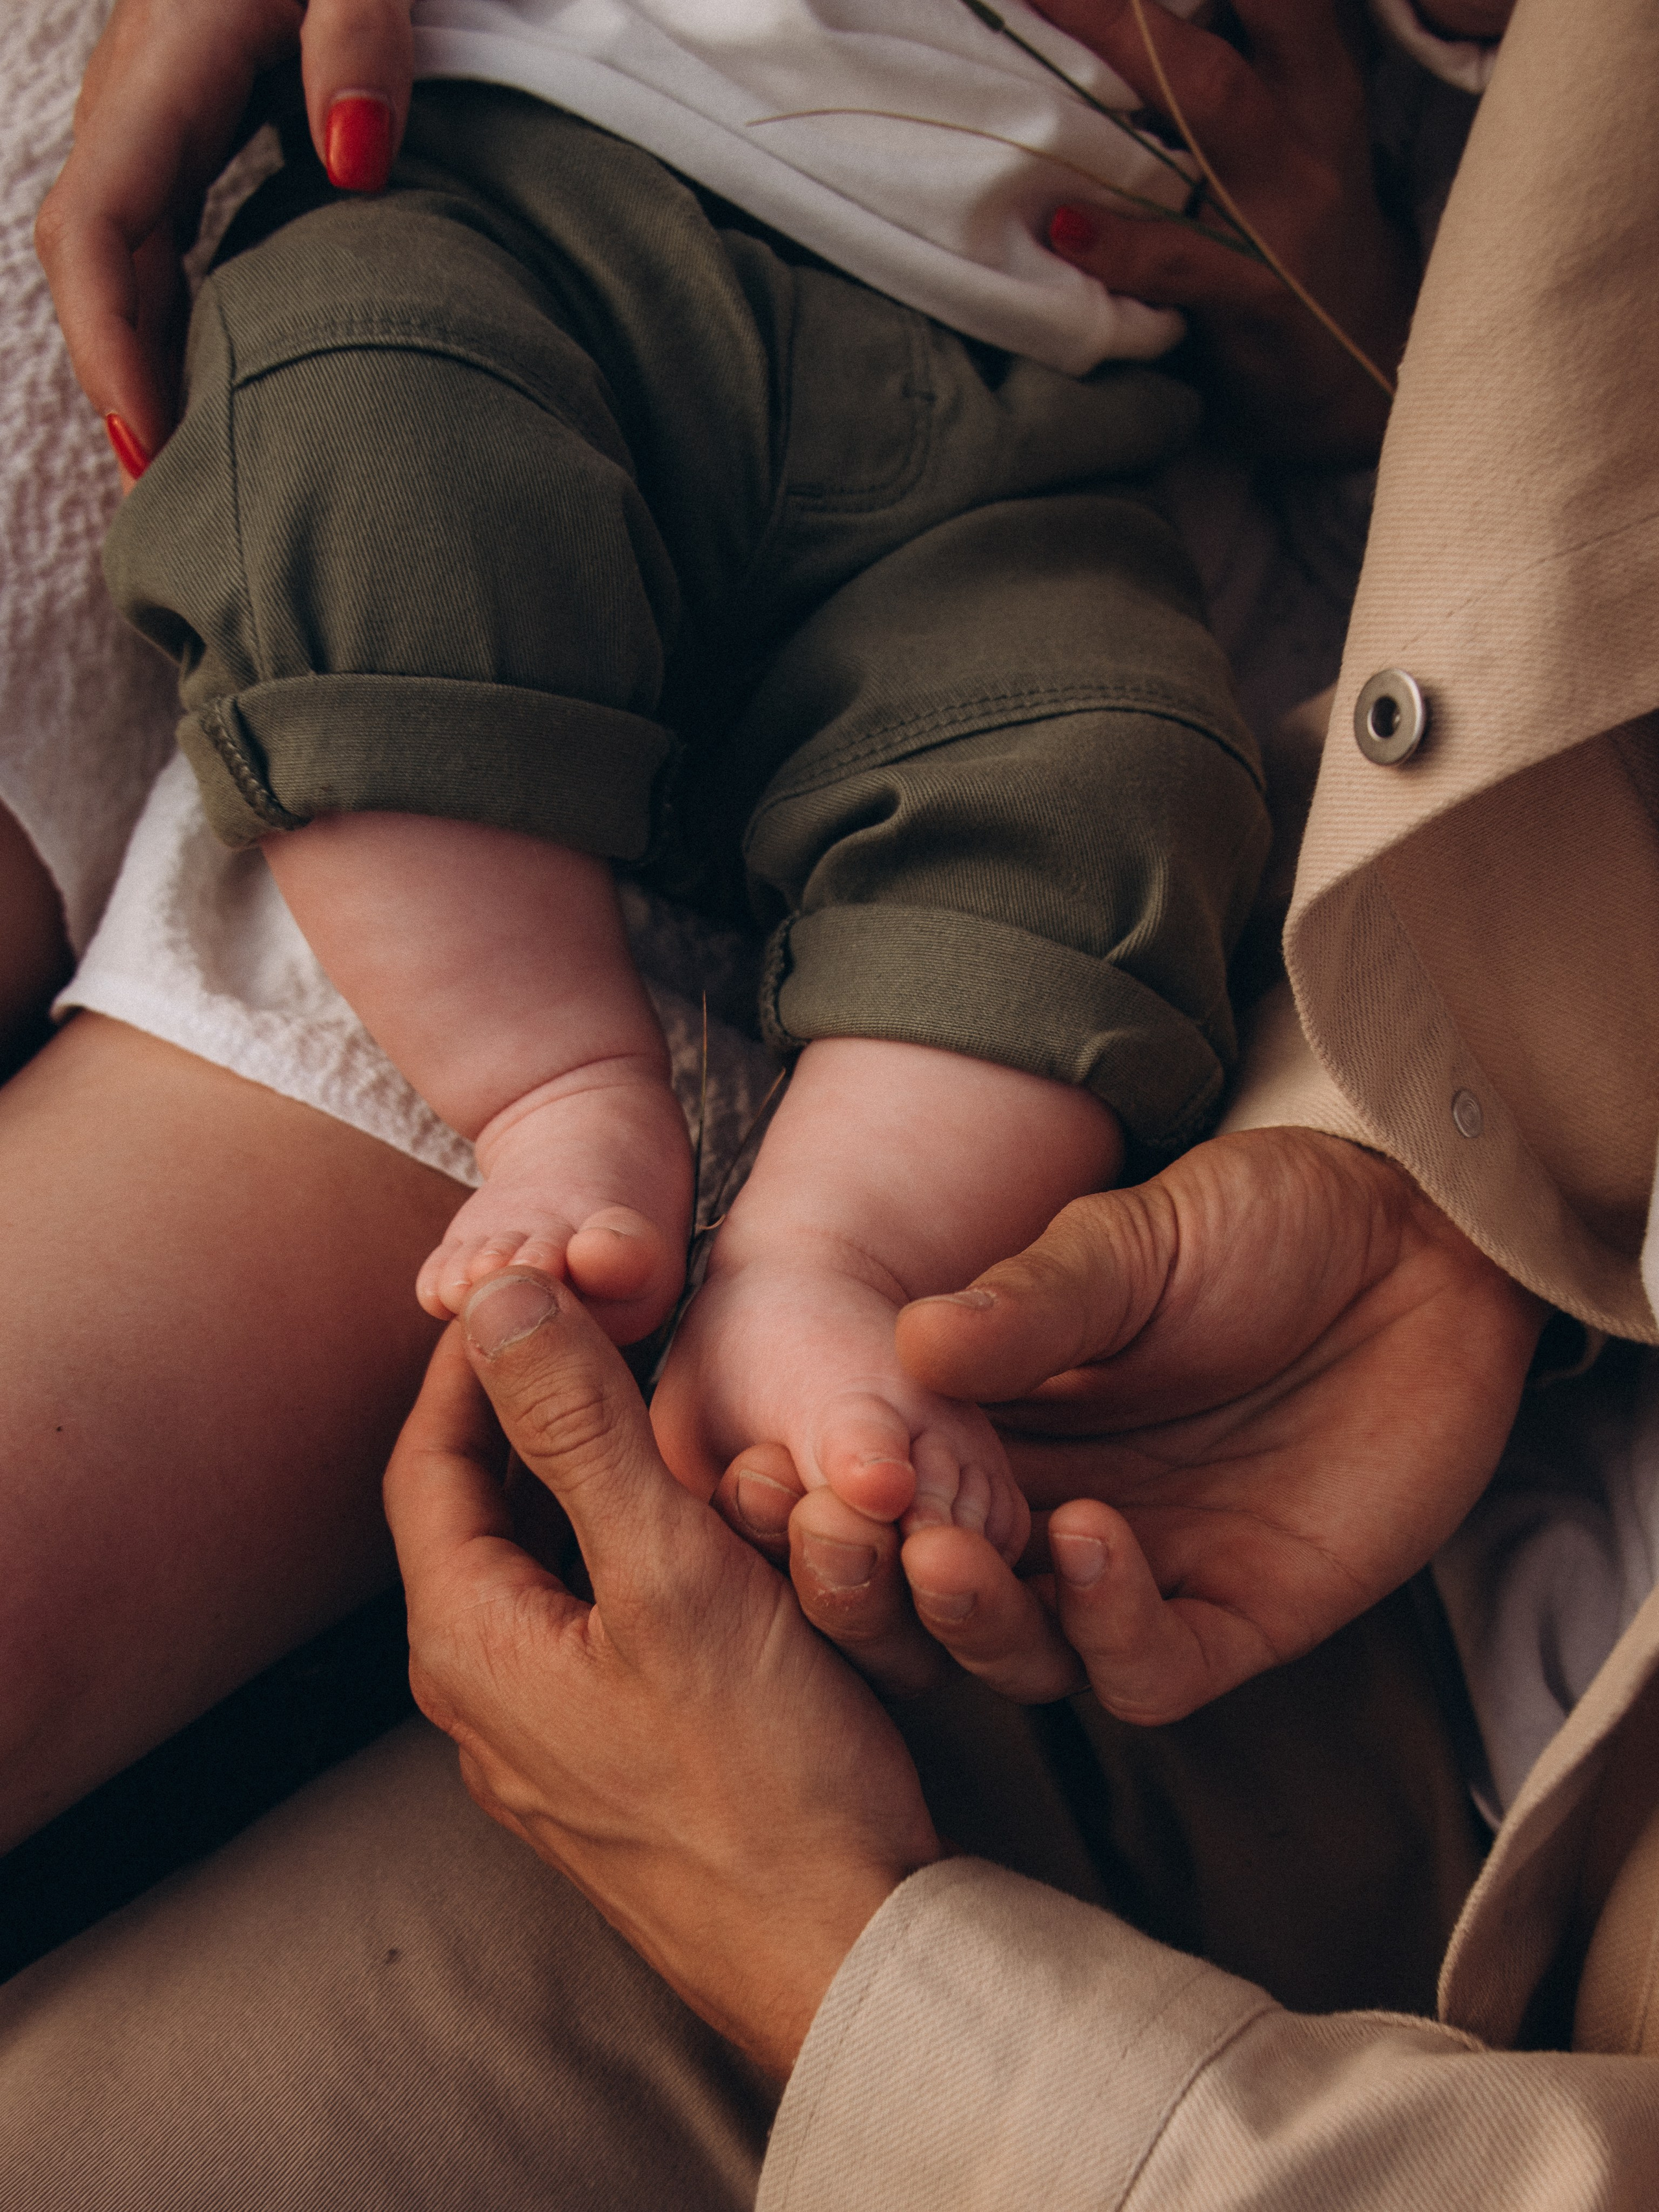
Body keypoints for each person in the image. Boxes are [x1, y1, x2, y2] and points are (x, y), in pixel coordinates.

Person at [6, 0, 1659, 2202]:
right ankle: (557, 1072)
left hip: (1016, 432)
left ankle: (813, 1244)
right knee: (356, 450)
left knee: (1103, 772)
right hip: (534, 191)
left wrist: (1381, 334)